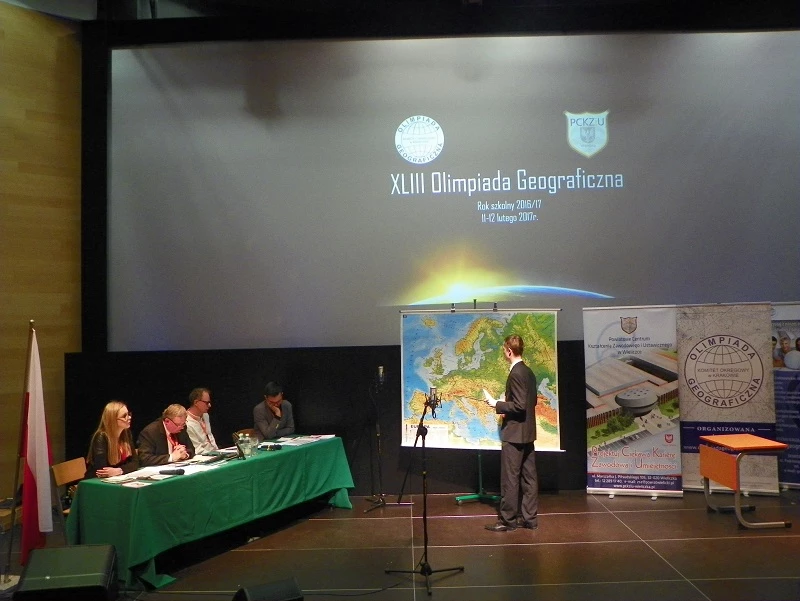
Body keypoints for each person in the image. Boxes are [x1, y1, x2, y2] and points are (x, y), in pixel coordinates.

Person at [483, 334, 539, 532]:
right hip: (528, 433)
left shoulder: (516, 373)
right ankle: (530, 519)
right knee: (529, 478)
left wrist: (496, 404)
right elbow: (531, 401)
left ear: (509, 351)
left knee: (510, 479)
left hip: (514, 434)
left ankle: (508, 520)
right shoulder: (528, 372)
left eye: (503, 350)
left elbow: (520, 405)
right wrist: (506, 401)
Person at [85, 400, 139, 478]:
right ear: (113, 419)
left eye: (129, 414)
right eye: (124, 416)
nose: (129, 417)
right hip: (96, 480)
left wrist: (120, 470)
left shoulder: (126, 434)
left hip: (117, 478)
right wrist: (122, 470)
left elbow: (135, 462)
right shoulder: (101, 437)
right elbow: (102, 470)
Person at [185, 387, 218, 454]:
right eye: (207, 402)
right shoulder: (186, 422)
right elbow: (197, 449)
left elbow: (210, 437)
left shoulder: (205, 415)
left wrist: (219, 452)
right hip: (203, 456)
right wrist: (215, 454)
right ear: (196, 402)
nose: (209, 405)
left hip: (215, 453)